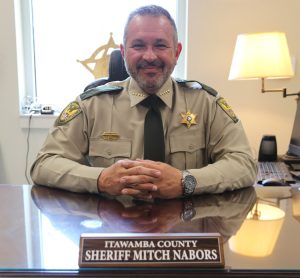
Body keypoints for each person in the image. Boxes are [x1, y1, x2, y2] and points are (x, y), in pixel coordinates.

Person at [30, 5, 257, 200]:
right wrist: (100, 179)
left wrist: (185, 181)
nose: (149, 56)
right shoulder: (91, 106)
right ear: (123, 51)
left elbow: (244, 164)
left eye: (160, 45)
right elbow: (44, 164)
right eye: (138, 46)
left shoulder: (206, 103)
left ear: (176, 52)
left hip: (186, 237)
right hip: (113, 234)